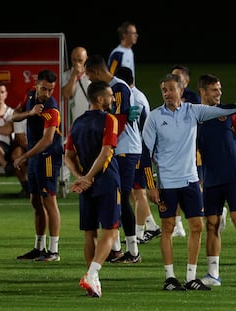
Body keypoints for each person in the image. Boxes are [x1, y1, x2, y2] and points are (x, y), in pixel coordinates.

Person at [142, 73, 236, 291]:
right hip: (188, 181)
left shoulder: (200, 112)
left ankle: (226, 273)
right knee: (186, 226)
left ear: (181, 90)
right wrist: (151, 183)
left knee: (213, 225)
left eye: (171, 89)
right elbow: (148, 152)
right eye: (164, 90)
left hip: (209, 179)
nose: (167, 94)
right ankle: (185, 276)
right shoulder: (165, 117)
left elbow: (233, 125)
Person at [196, 74, 236, 287]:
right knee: (211, 225)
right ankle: (213, 274)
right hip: (211, 179)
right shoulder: (195, 116)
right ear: (203, 92)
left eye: (220, 89)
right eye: (214, 90)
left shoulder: (231, 114)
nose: (219, 93)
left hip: (233, 176)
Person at [64, 80, 121, 298]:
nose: (112, 99)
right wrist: (88, 177)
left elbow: (68, 156)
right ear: (99, 99)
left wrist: (80, 177)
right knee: (111, 230)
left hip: (86, 185)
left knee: (90, 232)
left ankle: (93, 282)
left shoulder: (77, 123)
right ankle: (92, 274)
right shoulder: (110, 119)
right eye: (109, 96)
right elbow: (107, 152)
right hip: (106, 181)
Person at [85, 54, 142, 263]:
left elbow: (120, 120)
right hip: (117, 149)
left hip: (125, 149)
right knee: (114, 197)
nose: (90, 80)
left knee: (123, 197)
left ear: (97, 71)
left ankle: (133, 251)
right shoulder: (112, 89)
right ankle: (116, 248)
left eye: (90, 75)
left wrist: (105, 141)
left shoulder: (118, 88)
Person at [13, 69, 63, 262]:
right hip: (35, 155)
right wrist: (30, 112)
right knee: (35, 201)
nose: (47, 94)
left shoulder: (51, 107)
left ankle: (53, 250)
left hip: (48, 156)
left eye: (51, 90)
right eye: (44, 89)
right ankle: (39, 247)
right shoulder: (30, 95)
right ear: (36, 85)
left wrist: (24, 156)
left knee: (49, 201)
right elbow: (14, 117)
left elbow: (48, 140)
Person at [115, 66, 161, 244]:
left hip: (138, 149)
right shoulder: (137, 95)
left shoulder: (134, 98)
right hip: (140, 148)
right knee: (136, 191)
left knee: (139, 191)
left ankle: (140, 233)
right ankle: (150, 226)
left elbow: (141, 126)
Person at [170, 64, 201, 238]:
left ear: (186, 82)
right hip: (175, 150)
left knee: (196, 186)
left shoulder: (193, 99)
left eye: (178, 78)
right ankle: (178, 224)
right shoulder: (169, 97)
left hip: (194, 149)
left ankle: (219, 211)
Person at [61, 46, 91, 123]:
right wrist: (74, 74)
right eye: (74, 60)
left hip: (89, 120)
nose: (77, 63)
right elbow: (67, 94)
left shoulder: (91, 76)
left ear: (86, 59)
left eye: (80, 60)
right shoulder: (65, 75)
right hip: (72, 122)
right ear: (70, 58)